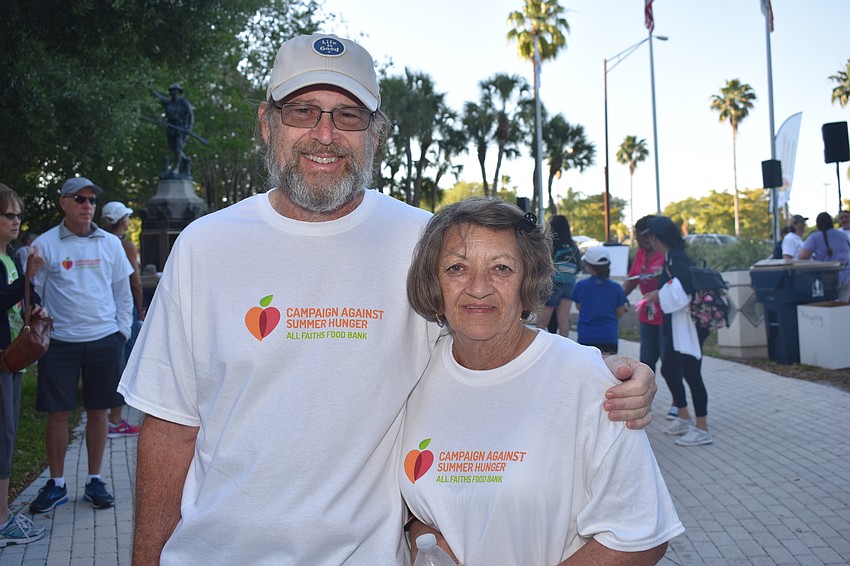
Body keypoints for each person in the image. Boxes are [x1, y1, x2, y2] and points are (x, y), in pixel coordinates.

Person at [118, 33, 657, 565]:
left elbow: (492, 341)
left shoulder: (424, 241)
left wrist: (598, 375)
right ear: (268, 123)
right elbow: (169, 426)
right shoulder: (205, 246)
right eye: (304, 110)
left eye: (348, 116)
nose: (325, 134)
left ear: (377, 133)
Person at [401, 198, 683, 565]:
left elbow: (639, 536)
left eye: (501, 268)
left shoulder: (587, 380)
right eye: (457, 267)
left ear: (528, 282)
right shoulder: (413, 374)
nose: (478, 287)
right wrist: (426, 536)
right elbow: (419, 508)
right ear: (434, 282)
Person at [28, 177, 133, 514]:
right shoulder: (45, 244)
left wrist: (121, 333)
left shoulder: (110, 244)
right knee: (58, 415)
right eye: (79, 199)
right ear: (63, 203)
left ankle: (94, 479)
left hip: (104, 341)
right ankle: (56, 483)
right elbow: (34, 293)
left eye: (91, 200)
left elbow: (122, 291)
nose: (87, 205)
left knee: (99, 412)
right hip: (60, 344)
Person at [0, 184, 46, 547]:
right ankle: (2, 520)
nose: (17, 221)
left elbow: (22, 294)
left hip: (13, 359)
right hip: (3, 359)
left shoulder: (11, 255)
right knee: (3, 437)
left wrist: (36, 304)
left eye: (18, 215)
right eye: (9, 215)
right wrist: (28, 278)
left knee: (8, 435)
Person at [642, 216, 713, 447]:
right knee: (670, 369)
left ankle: (702, 428)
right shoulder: (672, 257)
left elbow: (686, 289)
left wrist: (657, 295)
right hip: (679, 326)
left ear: (655, 237)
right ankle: (684, 417)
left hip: (688, 328)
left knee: (692, 374)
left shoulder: (676, 259)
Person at [101, 201, 144, 438]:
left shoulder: (98, 243)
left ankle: (107, 416)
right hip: (123, 314)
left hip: (105, 315)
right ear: (122, 221)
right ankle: (115, 420)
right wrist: (139, 310)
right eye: (127, 217)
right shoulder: (124, 245)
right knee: (123, 366)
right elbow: (135, 282)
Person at [623, 215, 672, 418]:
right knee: (646, 361)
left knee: (669, 364)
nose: (638, 241)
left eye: (640, 237)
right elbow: (632, 281)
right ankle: (643, 403)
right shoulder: (641, 254)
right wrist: (615, 298)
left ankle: (679, 405)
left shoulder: (666, 253)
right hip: (647, 317)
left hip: (666, 317)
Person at [571, 246, 628, 354]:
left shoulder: (581, 285)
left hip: (586, 336)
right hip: (608, 337)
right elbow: (619, 314)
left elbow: (579, 307)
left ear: (588, 266)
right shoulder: (616, 288)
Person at [535, 214, 579, 337]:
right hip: (570, 283)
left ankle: (538, 346)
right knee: (563, 319)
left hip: (554, 283)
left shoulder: (550, 243)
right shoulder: (572, 245)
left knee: (543, 321)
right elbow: (579, 266)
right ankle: (564, 349)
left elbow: (544, 264)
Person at [799, 211, 850, 302]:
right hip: (847, 275)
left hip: (827, 278)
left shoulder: (815, 237)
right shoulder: (843, 235)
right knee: (843, 306)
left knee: (828, 306)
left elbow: (803, 256)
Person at [152, 83, 195, 175]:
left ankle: (176, 167)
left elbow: (191, 115)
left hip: (181, 128)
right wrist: (152, 91)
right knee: (173, 147)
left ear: (178, 92)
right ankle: (186, 161)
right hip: (171, 128)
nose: (174, 93)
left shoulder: (184, 102)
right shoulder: (168, 103)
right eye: (172, 91)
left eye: (176, 91)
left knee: (178, 147)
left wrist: (189, 128)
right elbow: (159, 97)